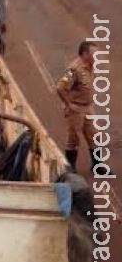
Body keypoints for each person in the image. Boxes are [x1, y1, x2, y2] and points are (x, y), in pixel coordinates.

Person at [56, 40, 98, 171]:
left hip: (88, 107)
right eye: (94, 54)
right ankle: (71, 168)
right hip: (76, 109)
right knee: (73, 139)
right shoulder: (73, 69)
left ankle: (97, 165)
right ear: (85, 54)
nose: (96, 57)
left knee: (94, 136)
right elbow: (60, 87)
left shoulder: (90, 66)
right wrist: (69, 104)